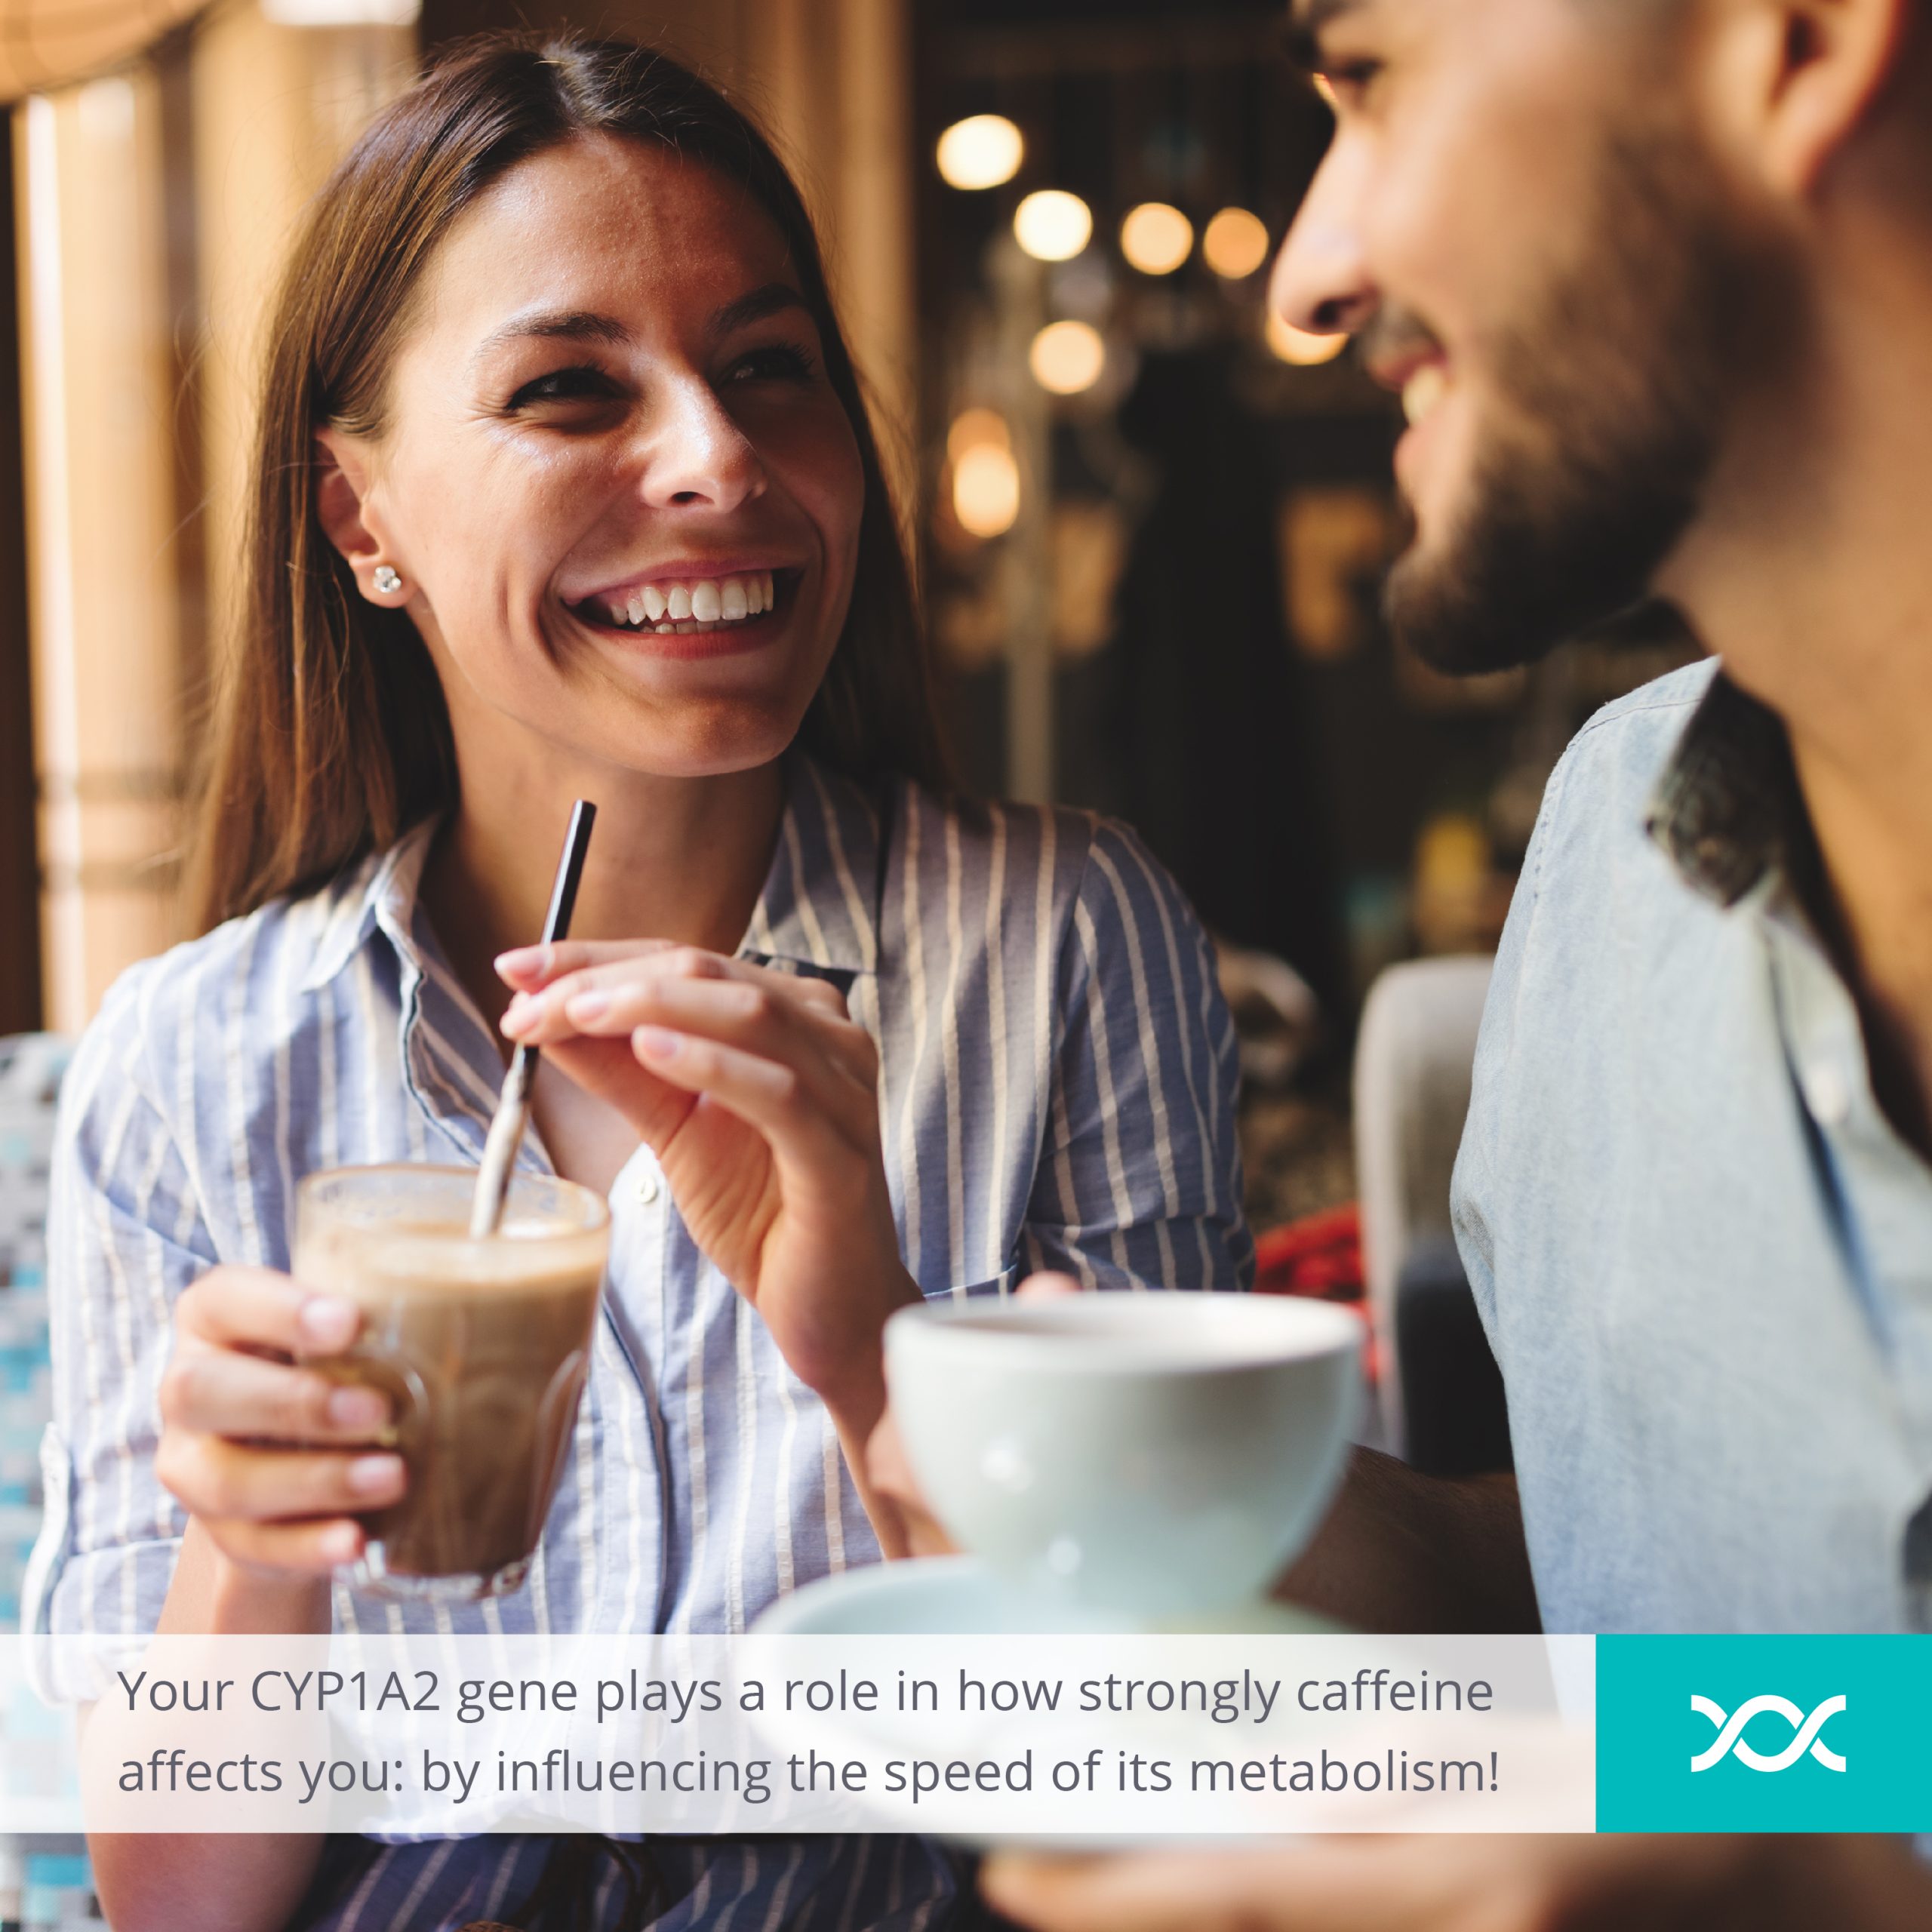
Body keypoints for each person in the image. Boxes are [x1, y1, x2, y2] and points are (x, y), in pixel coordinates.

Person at [24, 33, 1251, 1932]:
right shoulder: (192, 1058)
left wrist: (873, 1362)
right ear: (361, 520)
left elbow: (1191, 1769)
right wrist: (246, 1552)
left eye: (768, 369)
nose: (718, 458)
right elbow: (179, 1901)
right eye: (570, 388)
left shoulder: (1069, 939)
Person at [874, 0, 1932, 1923]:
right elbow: (1624, 1613)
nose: (1309, 270)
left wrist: (1843, 1884)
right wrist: (1125, 1482)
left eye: (1368, 83)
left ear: (1796, 42)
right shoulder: (1612, 857)